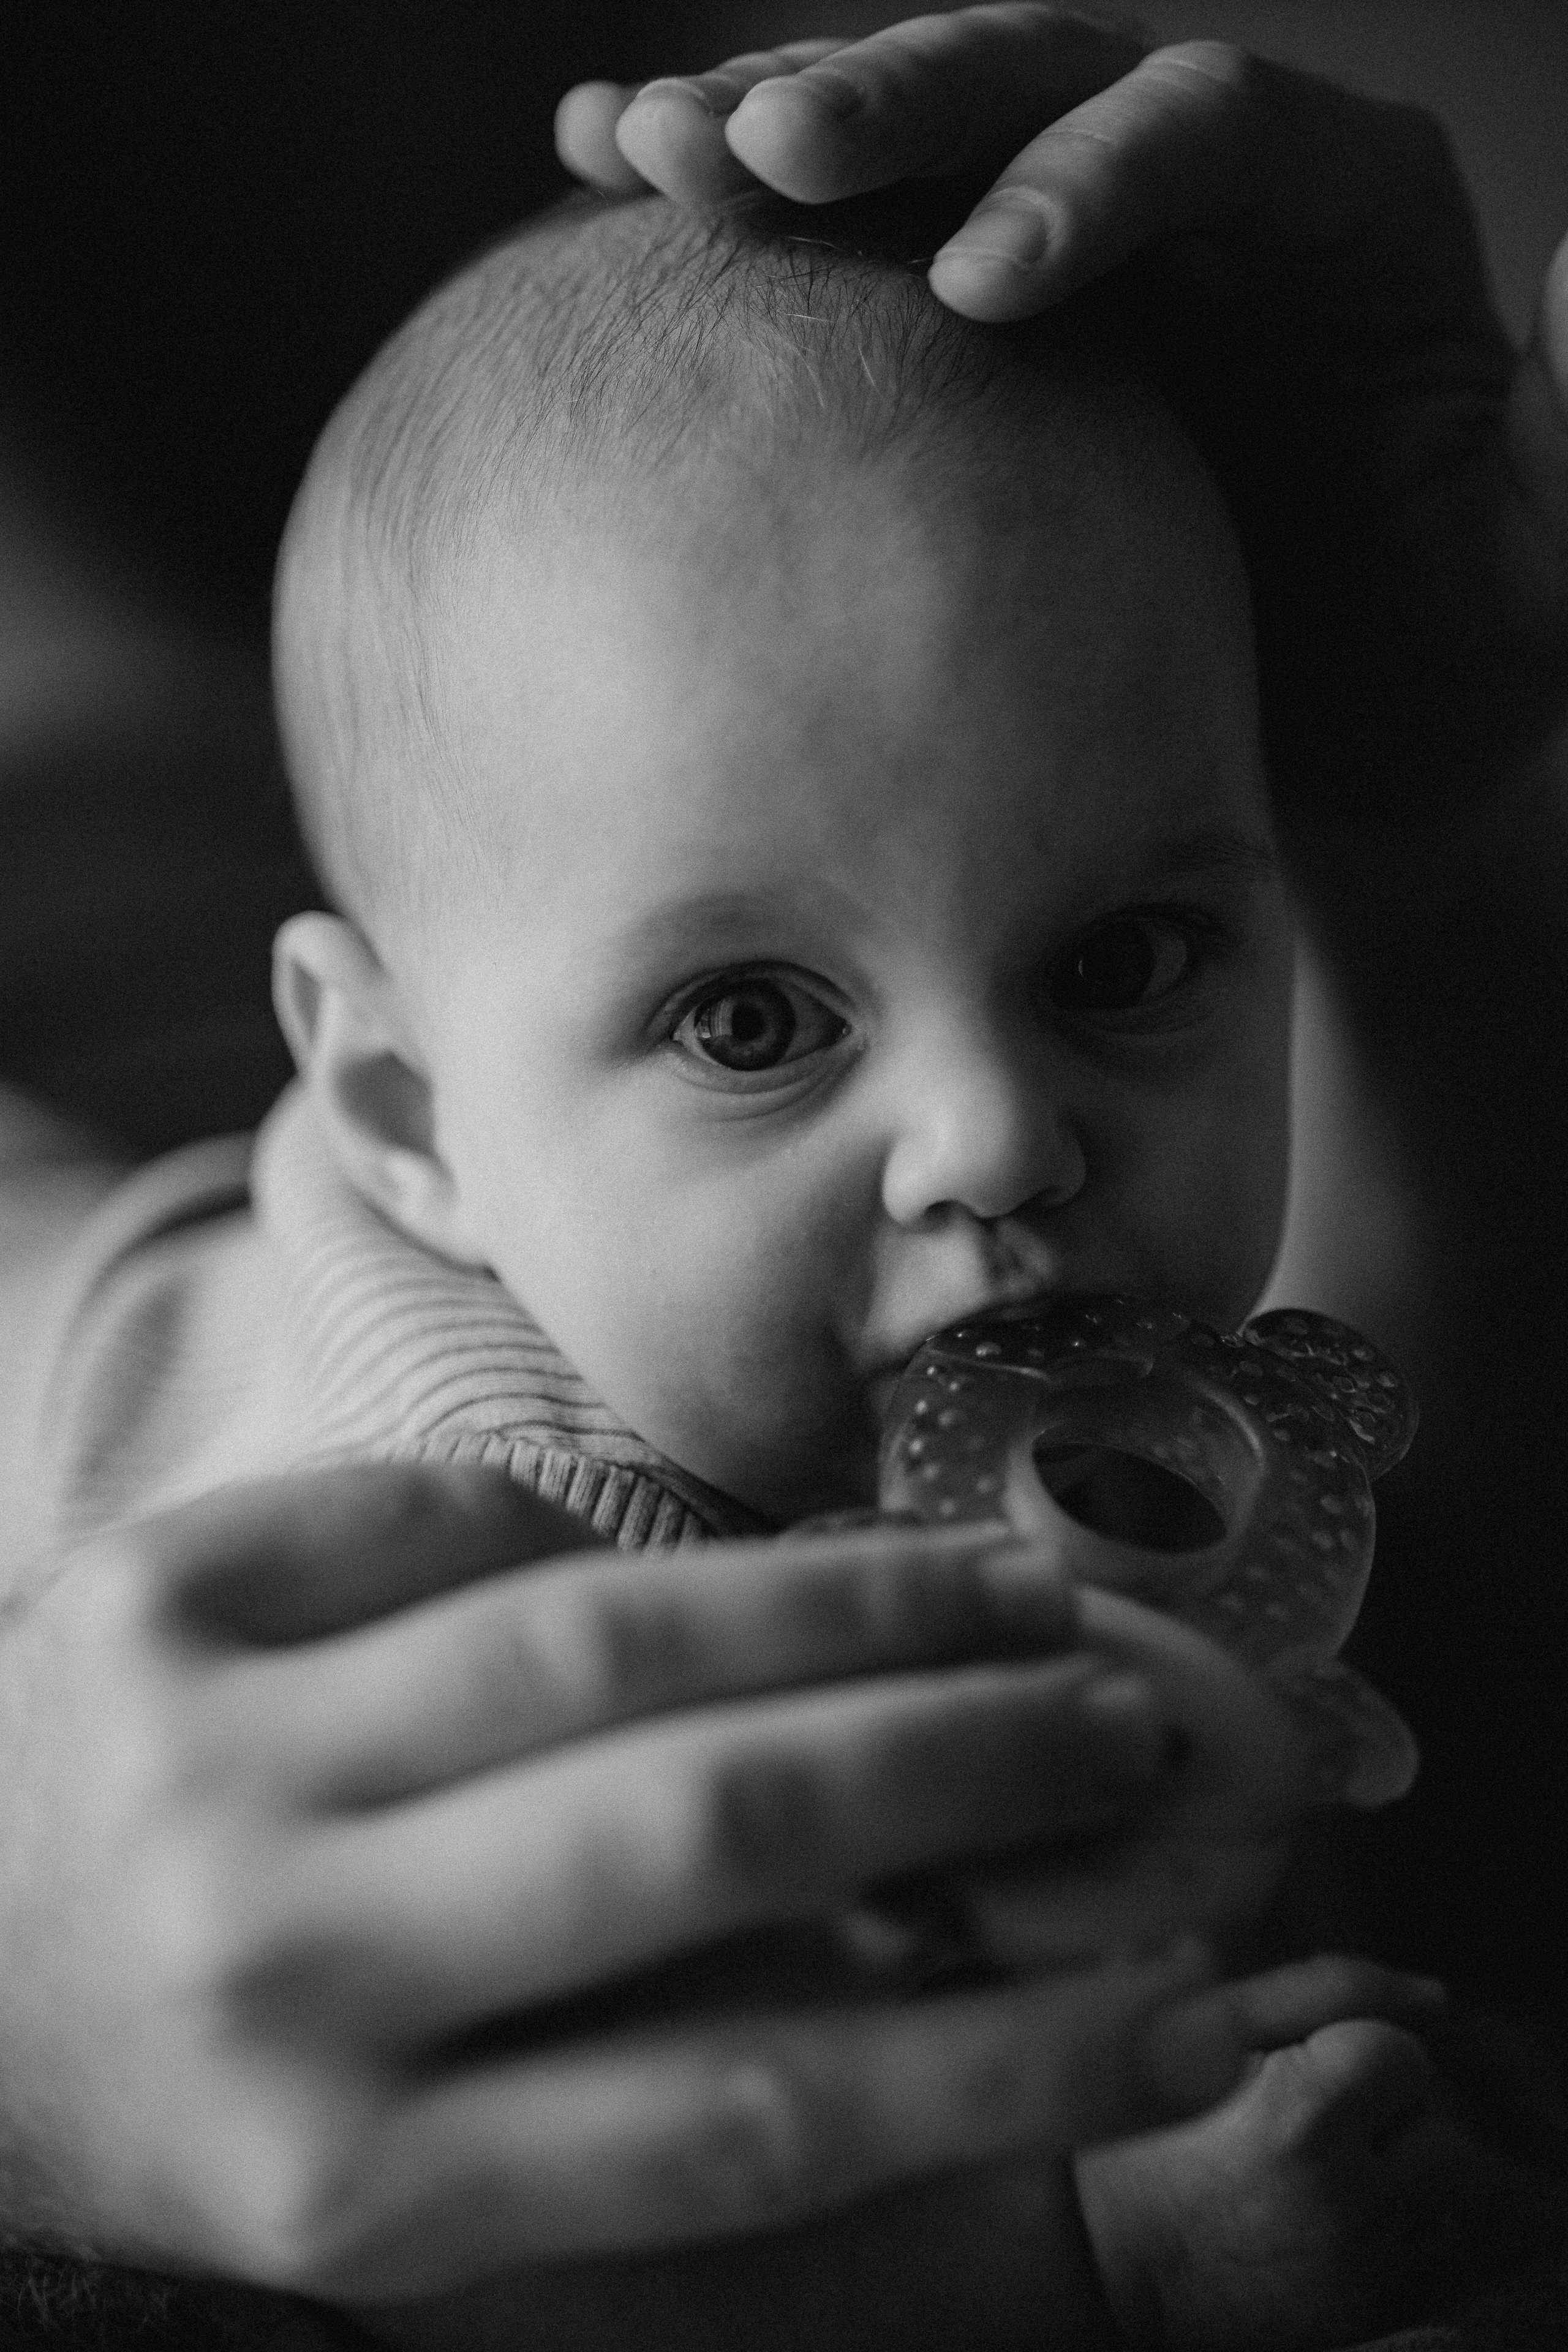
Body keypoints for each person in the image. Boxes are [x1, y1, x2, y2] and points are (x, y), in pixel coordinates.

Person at [2, 9, 1565, 2346]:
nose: (999, 1135)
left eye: (1125, 958)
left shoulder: (845, 1264)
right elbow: (525, 2195)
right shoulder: (529, 1572)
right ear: (411, 1117)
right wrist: (1094, 2263)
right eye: (753, 1023)